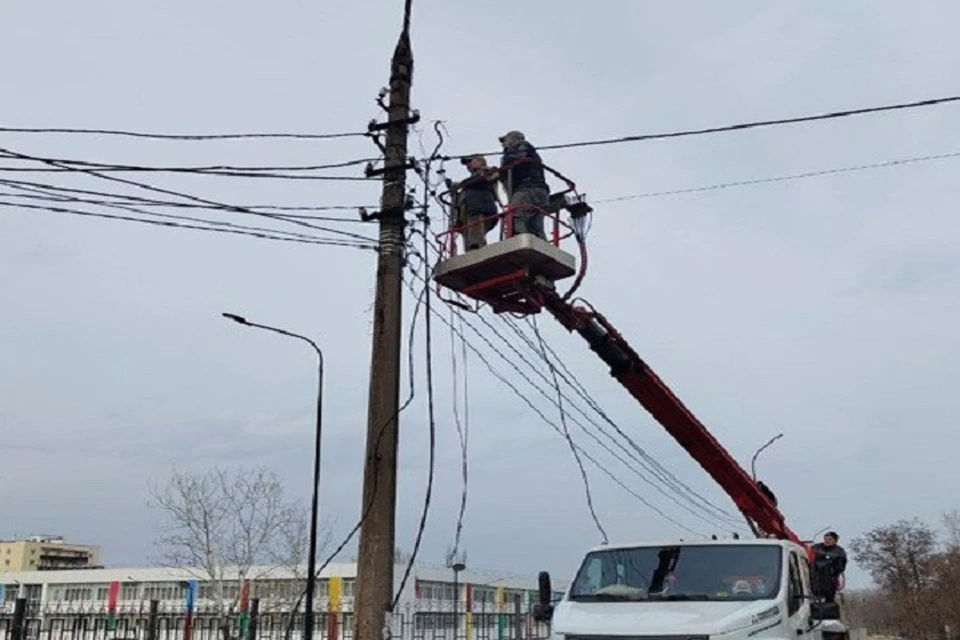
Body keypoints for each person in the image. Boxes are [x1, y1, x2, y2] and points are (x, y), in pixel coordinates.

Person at [497, 130, 549, 240]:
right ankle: (540, 243)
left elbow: (517, 158)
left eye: (505, 140)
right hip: (540, 190)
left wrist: (506, 159)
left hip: (527, 188)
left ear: (513, 139)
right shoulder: (531, 151)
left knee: (516, 215)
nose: (503, 144)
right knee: (535, 223)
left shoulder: (521, 146)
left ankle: (519, 239)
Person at [452, 154, 500, 251]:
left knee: (476, 239)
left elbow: (480, 181)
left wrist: (460, 184)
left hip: (480, 209)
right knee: (468, 240)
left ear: (480, 161)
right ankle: (471, 253)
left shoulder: (489, 171)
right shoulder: (469, 183)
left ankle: (478, 250)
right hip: (467, 212)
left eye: (470, 161)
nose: (468, 165)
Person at [810, 531, 847, 603]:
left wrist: (826, 557)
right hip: (814, 579)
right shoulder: (816, 547)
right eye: (825, 539)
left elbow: (841, 566)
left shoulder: (839, 551)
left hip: (830, 581)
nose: (827, 541)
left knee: (829, 601)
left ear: (835, 541)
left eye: (830, 539)